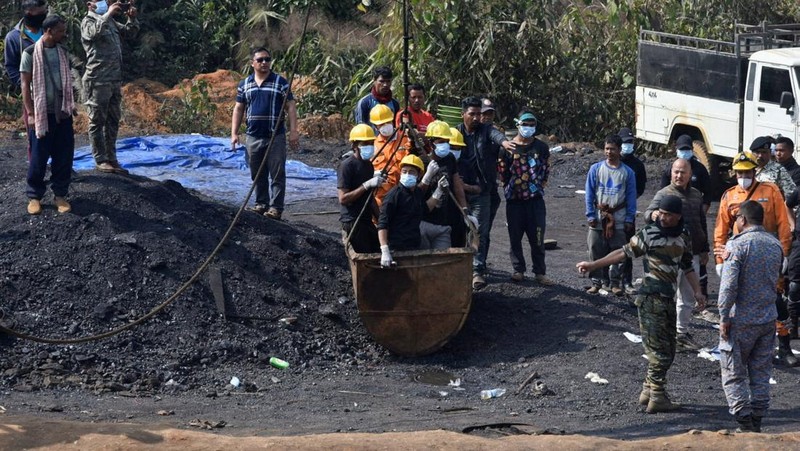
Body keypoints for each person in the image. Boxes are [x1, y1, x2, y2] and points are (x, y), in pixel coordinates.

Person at [577, 195, 705, 414]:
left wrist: (698, 291)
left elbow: (687, 266)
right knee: (660, 352)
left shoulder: (683, 235)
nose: (662, 218)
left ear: (678, 216)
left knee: (670, 348)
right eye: (661, 213)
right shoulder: (649, 234)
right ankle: (658, 396)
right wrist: (593, 265)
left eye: (668, 215)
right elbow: (622, 253)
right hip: (650, 299)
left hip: (668, 300)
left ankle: (648, 389)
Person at [713, 151, 794, 367]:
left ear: (753, 171)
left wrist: (784, 253)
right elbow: (721, 229)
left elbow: (783, 224)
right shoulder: (729, 196)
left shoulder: (771, 190)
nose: (743, 176)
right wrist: (720, 260)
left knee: (775, 298)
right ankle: (740, 344)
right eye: (739, 172)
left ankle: (784, 346)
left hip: (767, 253)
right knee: (736, 298)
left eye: (747, 172)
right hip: (739, 253)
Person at [718, 200, 783, 433]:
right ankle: (757, 420)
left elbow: (728, 286)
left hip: (741, 320)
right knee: (761, 372)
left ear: (742, 220)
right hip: (767, 318)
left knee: (733, 371)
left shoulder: (737, 246)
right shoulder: (775, 245)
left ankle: (744, 421)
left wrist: (723, 316)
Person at [645, 159, 708, 352]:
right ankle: (664, 334)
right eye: (676, 172)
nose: (679, 176)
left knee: (688, 296)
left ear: (690, 174)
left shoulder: (697, 195)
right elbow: (648, 213)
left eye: (683, 172)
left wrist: (705, 248)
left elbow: (701, 223)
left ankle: (681, 333)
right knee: (667, 296)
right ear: (671, 173)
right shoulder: (664, 194)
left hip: (693, 253)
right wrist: (655, 215)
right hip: (669, 254)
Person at [231, 47, 299, 220]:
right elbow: (239, 108)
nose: (264, 63)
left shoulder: (280, 82)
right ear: (252, 63)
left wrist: (293, 131)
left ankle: (276, 208)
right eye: (260, 60)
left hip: (275, 136)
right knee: (257, 172)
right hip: (253, 136)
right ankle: (261, 203)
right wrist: (234, 133)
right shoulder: (245, 84)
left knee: (277, 172)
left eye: (267, 59)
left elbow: (290, 106)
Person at [456, 96, 515, 289]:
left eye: (478, 114)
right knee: (459, 228)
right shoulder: (455, 133)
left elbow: (496, 136)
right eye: (472, 114)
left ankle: (477, 270)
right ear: (463, 114)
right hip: (458, 190)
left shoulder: (486, 131)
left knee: (480, 231)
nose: (476, 118)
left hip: (482, 190)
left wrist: (505, 143)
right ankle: (460, 265)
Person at [20, 14, 75, 215]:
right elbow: (25, 85)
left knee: (63, 155)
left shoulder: (63, 52)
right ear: (49, 31)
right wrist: (31, 113)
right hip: (42, 113)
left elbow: (67, 80)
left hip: (62, 112)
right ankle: (34, 196)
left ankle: (60, 194)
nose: (64, 34)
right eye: (61, 30)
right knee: (38, 156)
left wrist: (70, 105)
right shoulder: (30, 53)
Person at [81, 0, 140, 174]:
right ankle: (100, 159)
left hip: (114, 79)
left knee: (113, 119)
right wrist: (107, 14)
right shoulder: (89, 21)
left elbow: (129, 33)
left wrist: (132, 19)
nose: (105, 3)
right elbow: (93, 34)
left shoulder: (111, 22)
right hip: (97, 79)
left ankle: (112, 158)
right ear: (89, 3)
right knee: (97, 120)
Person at [498, 110, 554, 285]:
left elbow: (545, 170)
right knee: (515, 237)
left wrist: (536, 187)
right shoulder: (508, 148)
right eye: (525, 125)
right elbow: (503, 173)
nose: (529, 128)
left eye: (532, 125)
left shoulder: (541, 147)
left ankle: (540, 272)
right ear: (518, 126)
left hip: (535, 201)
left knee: (537, 237)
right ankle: (518, 270)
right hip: (514, 201)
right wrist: (512, 187)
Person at [584, 134, 637, 295]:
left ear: (619, 150)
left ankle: (615, 283)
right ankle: (597, 282)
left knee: (619, 251)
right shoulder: (596, 169)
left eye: (612, 149)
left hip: (618, 218)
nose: (609, 152)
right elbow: (589, 194)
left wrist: (629, 218)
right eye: (606, 149)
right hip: (599, 217)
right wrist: (590, 215)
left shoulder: (628, 173)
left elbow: (631, 197)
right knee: (595, 249)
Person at [377, 154, 448, 267]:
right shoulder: (394, 195)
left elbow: (425, 209)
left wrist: (439, 191)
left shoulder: (416, 193)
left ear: (419, 175)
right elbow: (382, 224)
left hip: (413, 246)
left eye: (411, 172)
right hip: (396, 248)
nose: (407, 175)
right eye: (404, 171)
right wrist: (385, 251)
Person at [4, 0, 48, 159]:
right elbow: (11, 67)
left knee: (59, 132)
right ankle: (37, 169)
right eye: (41, 12)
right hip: (32, 93)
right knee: (35, 132)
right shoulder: (14, 37)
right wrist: (26, 87)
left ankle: (62, 169)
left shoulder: (49, 30)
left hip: (53, 90)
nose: (44, 15)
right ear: (29, 13)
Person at [419, 121, 469, 248]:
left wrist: (465, 211)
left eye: (446, 141)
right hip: (424, 220)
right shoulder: (422, 161)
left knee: (444, 259)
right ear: (431, 143)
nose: (445, 145)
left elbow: (457, 186)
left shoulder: (450, 159)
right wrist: (427, 176)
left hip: (443, 221)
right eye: (441, 142)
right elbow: (416, 194)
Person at [338, 124, 384, 253]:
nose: (369, 147)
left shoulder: (368, 165)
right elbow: (343, 198)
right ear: (354, 146)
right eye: (365, 143)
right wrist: (366, 185)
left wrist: (381, 221)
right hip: (352, 220)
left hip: (366, 219)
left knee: (379, 249)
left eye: (371, 143)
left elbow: (370, 198)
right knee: (365, 255)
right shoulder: (347, 166)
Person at [618, 127, 647, 295]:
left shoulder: (637, 165)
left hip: (628, 211)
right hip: (610, 211)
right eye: (625, 142)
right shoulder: (613, 161)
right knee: (606, 245)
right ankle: (607, 281)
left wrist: (629, 201)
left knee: (627, 246)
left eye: (631, 142)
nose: (628, 145)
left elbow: (641, 187)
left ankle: (627, 281)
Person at [369, 104, 408, 207]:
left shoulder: (405, 139)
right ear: (375, 126)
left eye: (387, 122)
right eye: (381, 124)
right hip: (382, 198)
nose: (385, 125)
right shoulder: (373, 146)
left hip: (403, 194)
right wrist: (374, 174)